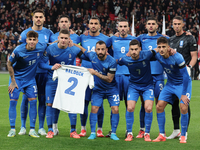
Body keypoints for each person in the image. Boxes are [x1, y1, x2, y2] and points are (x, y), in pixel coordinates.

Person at [39, 29, 83, 138]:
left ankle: (73, 131)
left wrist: (77, 46)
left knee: (71, 104)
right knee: (49, 104)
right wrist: (51, 67)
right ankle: (50, 130)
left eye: (66, 38)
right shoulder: (50, 49)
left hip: (68, 81)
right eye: (61, 38)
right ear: (58, 38)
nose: (63, 40)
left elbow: (88, 56)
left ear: (69, 40)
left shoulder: (73, 49)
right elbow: (41, 64)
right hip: (52, 80)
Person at [18, 9, 54, 136]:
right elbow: (20, 52)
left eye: (41, 17)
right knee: (26, 98)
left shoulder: (49, 33)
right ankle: (23, 126)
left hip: (43, 72)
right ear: (32, 18)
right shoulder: (24, 34)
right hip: (29, 73)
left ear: (44, 19)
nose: (38, 19)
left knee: (42, 99)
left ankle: (41, 127)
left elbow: (56, 44)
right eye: (36, 17)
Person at [75, 40, 120, 140]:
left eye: (102, 49)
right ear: (95, 50)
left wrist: (95, 73)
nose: (100, 51)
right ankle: (92, 133)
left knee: (115, 109)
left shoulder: (112, 61)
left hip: (111, 89)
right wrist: (73, 44)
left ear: (106, 50)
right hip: (98, 89)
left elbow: (109, 79)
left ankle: (113, 133)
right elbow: (84, 50)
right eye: (98, 49)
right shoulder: (92, 56)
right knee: (94, 109)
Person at [7, 31, 47, 138]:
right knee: (13, 102)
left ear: (37, 41)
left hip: (30, 80)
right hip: (17, 79)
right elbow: (9, 63)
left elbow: (51, 45)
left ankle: (32, 130)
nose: (32, 42)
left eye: (34, 40)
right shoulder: (19, 50)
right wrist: (13, 81)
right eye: (30, 39)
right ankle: (12, 129)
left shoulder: (41, 47)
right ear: (26, 40)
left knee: (33, 102)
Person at [152, 36, 192, 144]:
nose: (161, 49)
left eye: (163, 47)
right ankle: (161, 135)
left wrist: (184, 94)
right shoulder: (158, 55)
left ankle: (183, 135)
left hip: (183, 84)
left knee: (183, 106)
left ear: (168, 47)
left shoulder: (177, 57)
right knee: (159, 106)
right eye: (159, 47)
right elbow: (146, 54)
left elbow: (185, 77)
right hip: (170, 84)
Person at [79, 16, 111, 137]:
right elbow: (74, 44)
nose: (93, 25)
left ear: (99, 26)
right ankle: (83, 128)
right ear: (88, 25)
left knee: (99, 103)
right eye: (91, 23)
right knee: (84, 102)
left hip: (99, 74)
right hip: (84, 74)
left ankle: (99, 129)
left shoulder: (106, 39)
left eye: (95, 23)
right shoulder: (82, 37)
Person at [49, 14, 81, 136]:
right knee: (54, 102)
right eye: (61, 21)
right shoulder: (52, 36)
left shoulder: (77, 37)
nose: (63, 23)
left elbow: (80, 51)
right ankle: (54, 128)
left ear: (69, 23)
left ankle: (73, 130)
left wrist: (74, 44)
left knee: (71, 103)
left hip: (70, 75)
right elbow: (49, 49)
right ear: (58, 24)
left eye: (65, 21)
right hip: (56, 74)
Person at [118, 39, 155, 142]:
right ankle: (129, 133)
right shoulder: (126, 59)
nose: (133, 52)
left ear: (140, 49)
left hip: (147, 86)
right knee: (130, 108)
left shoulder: (147, 54)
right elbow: (117, 61)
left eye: (135, 49)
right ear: (129, 50)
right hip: (133, 86)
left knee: (148, 108)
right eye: (132, 49)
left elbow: (157, 50)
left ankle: (147, 133)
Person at [167, 16, 197, 140]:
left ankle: (185, 131)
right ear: (172, 25)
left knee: (184, 102)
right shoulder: (171, 39)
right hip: (173, 76)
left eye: (179, 24)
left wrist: (189, 67)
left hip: (184, 75)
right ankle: (176, 130)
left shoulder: (190, 38)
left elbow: (194, 56)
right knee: (174, 102)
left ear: (183, 24)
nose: (177, 26)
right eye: (175, 24)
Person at [136, 17, 166, 138]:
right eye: (149, 24)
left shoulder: (163, 39)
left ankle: (161, 132)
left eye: (153, 24)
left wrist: (187, 33)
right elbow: (129, 42)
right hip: (145, 76)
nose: (151, 26)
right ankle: (142, 129)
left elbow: (173, 41)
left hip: (158, 75)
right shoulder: (140, 38)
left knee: (160, 104)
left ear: (157, 26)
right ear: (146, 26)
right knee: (144, 104)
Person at [106, 18, 136, 137]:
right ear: (117, 28)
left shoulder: (134, 40)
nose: (123, 29)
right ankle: (113, 131)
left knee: (129, 105)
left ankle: (129, 131)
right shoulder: (112, 39)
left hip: (130, 76)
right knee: (114, 105)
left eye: (125, 26)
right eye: (121, 26)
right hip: (116, 76)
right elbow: (102, 46)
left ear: (128, 28)